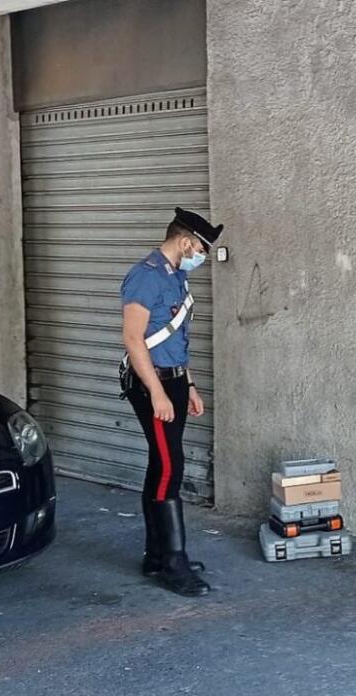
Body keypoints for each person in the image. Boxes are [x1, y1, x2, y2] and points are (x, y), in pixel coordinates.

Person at [120, 207, 221, 597]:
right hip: (152, 384)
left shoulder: (174, 277)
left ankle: (156, 555)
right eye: (200, 249)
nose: (201, 257)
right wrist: (159, 392)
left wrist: (189, 385)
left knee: (161, 466)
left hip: (173, 380)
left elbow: (172, 338)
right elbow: (133, 339)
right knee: (169, 467)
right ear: (184, 242)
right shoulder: (145, 277)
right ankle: (173, 562)